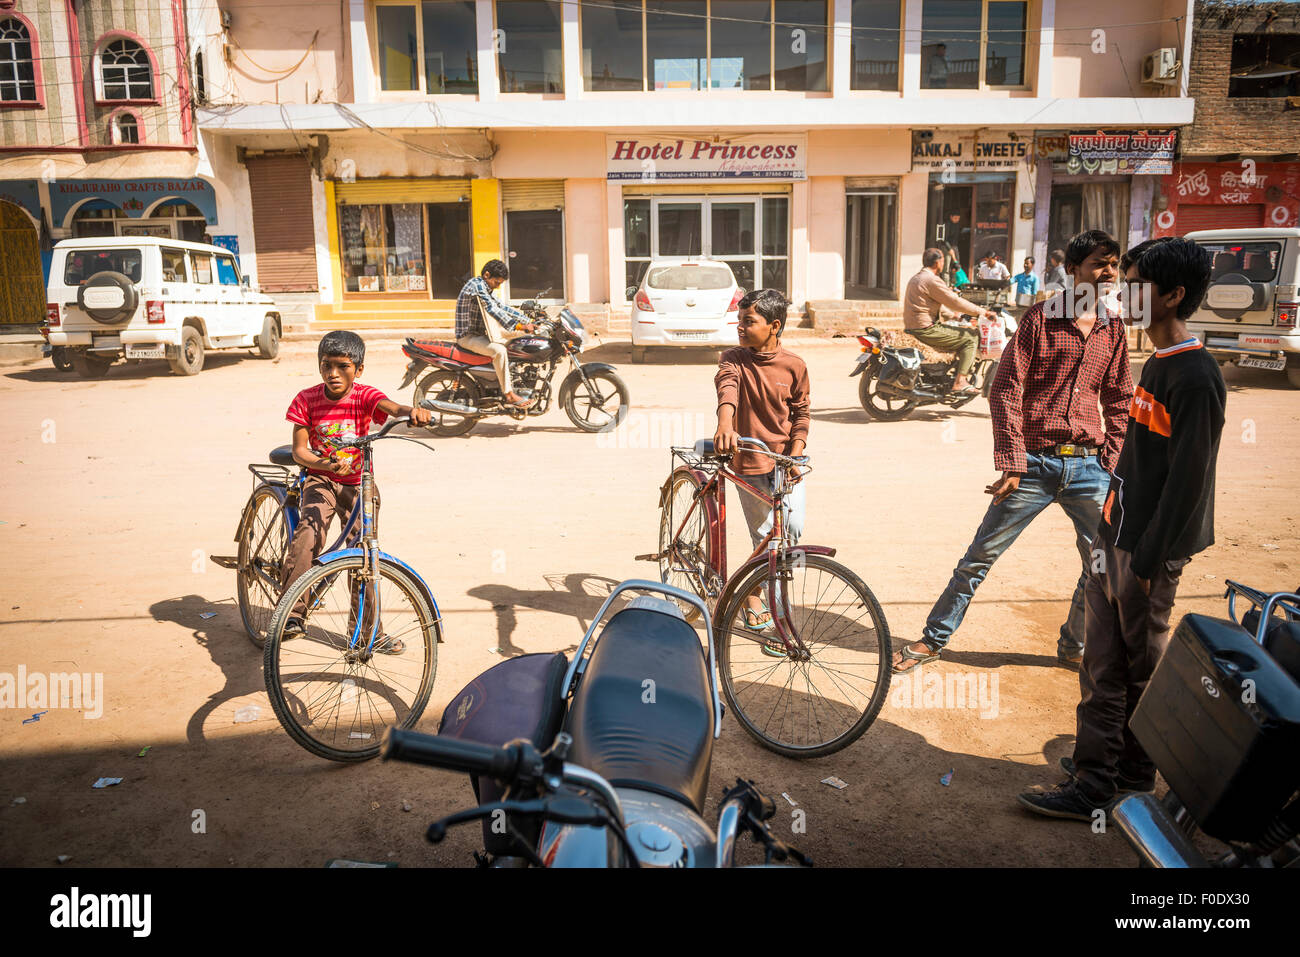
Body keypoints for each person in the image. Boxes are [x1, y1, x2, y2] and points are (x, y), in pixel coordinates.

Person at [1019, 237, 1223, 820]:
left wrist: (1144, 558)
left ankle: (1103, 782)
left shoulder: (1195, 375)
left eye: (1133, 282)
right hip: (1117, 538)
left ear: (1173, 296)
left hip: (1144, 552)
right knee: (1106, 661)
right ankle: (1111, 769)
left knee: (1127, 665)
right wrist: (1111, 531)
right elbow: (1134, 461)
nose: (1120, 291)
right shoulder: (1155, 362)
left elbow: (1189, 486)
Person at [892, 230, 1134, 675]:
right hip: (1034, 466)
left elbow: (1120, 399)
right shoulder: (1041, 319)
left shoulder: (1113, 327)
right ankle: (932, 640)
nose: (1109, 273)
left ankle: (1074, 644)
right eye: (1101, 263)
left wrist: (1111, 464)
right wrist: (1012, 462)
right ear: (1074, 270)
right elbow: (1005, 390)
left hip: (1089, 466)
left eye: (1114, 265)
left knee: (1101, 565)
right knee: (978, 559)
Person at [280, 331, 432, 645]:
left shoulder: (364, 396)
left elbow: (390, 407)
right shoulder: (306, 399)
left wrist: (411, 412)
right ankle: (291, 613)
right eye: (326, 366)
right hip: (321, 478)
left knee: (365, 553)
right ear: (319, 367)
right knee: (308, 536)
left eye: (343, 366)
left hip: (358, 483)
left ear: (358, 370)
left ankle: (366, 633)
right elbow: (300, 451)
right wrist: (325, 465)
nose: (333, 374)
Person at [714, 289, 810, 646]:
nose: (740, 327)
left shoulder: (795, 366)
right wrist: (726, 424)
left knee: (793, 531)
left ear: (774, 326)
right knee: (769, 540)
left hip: (787, 462)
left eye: (748, 322)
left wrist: (797, 452)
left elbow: (801, 413)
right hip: (750, 460)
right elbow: (728, 389)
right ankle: (781, 625)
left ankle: (750, 592)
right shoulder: (734, 358)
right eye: (739, 321)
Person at [903, 248, 998, 395]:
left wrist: (955, 317)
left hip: (915, 325)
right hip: (926, 328)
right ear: (937, 262)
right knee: (971, 337)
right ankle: (960, 381)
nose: (944, 264)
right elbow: (954, 301)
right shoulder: (931, 280)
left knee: (961, 331)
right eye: (942, 260)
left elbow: (927, 305)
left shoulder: (916, 278)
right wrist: (983, 312)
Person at [455, 259, 536, 408]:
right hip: (467, 336)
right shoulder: (477, 286)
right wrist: (518, 326)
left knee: (514, 346)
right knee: (500, 351)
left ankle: (509, 383)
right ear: (487, 275)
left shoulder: (485, 287)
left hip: (479, 335)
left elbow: (501, 306)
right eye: (497, 282)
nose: (498, 286)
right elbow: (493, 309)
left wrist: (528, 319)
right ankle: (509, 395)